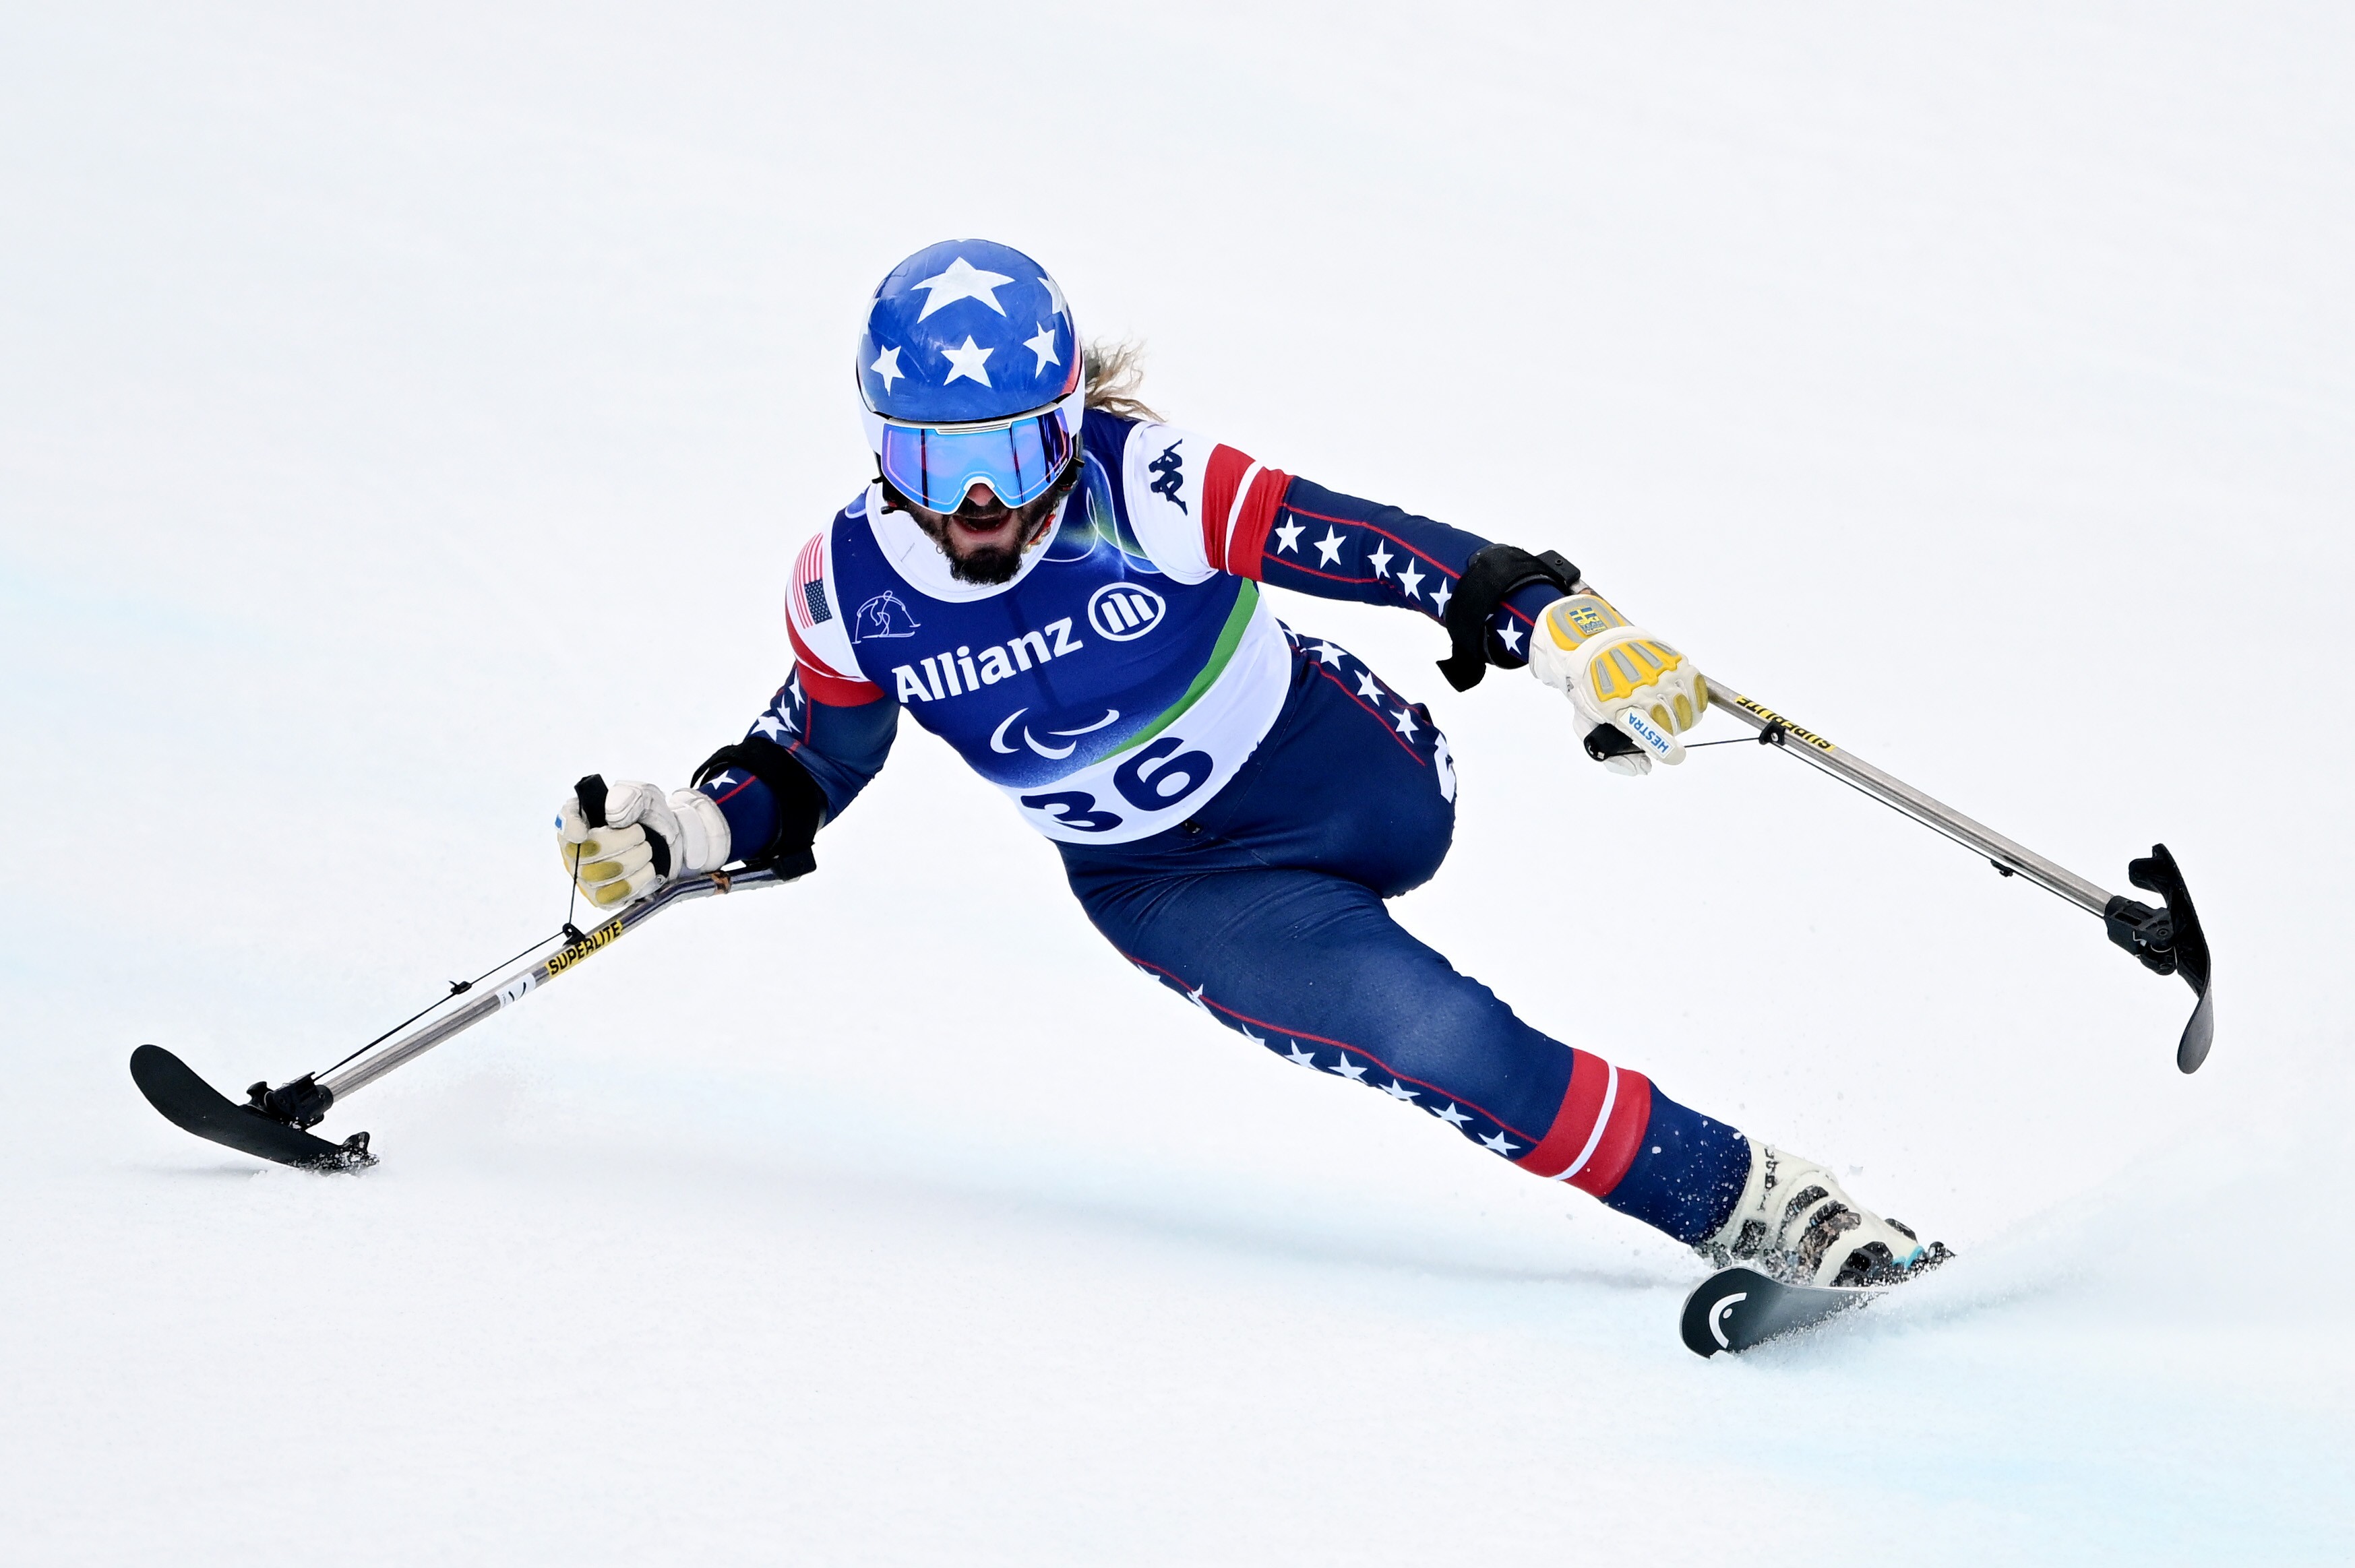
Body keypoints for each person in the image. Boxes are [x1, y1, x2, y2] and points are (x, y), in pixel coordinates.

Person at [556, 238, 1947, 1289]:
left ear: (1066, 421)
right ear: (879, 447)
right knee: (1438, 1041)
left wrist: (1557, 624)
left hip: (1347, 777)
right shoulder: (847, 588)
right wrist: (694, 832)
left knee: (1410, 854)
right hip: (1179, 889)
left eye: (1017, 451)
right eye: (934, 460)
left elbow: (1372, 541)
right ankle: (1760, 1203)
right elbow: (812, 762)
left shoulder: (1141, 484)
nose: (979, 502)